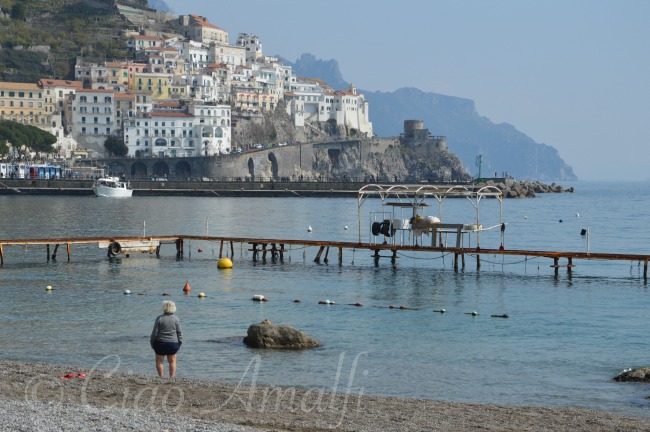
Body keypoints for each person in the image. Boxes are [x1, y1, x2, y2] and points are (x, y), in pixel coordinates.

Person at [150, 300, 182, 380]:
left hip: (160, 343)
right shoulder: (176, 319)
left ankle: (161, 377)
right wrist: (180, 342)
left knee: (159, 361)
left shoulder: (159, 318)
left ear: (164, 308)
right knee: (172, 361)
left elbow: (155, 333)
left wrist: (152, 342)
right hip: (173, 344)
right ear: (174, 308)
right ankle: (172, 378)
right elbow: (179, 332)